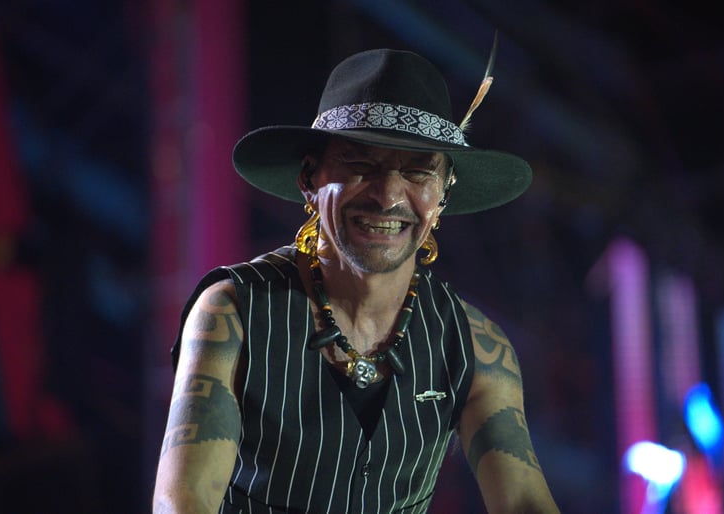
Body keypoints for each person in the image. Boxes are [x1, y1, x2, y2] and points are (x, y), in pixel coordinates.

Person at [153, 47, 559, 514]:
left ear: (443, 194)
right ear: (309, 178)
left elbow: (524, 501)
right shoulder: (234, 313)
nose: (387, 196)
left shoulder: (475, 346)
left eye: (417, 171)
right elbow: (183, 500)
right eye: (361, 165)